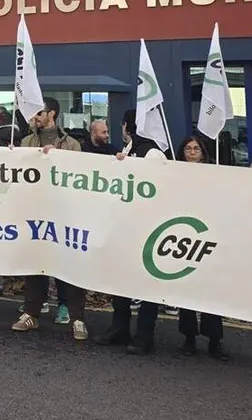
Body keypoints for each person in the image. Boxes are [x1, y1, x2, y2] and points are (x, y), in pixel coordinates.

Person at [12, 97, 89, 341]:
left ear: (52, 114)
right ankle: (31, 312)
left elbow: (80, 176)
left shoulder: (73, 144)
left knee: (71, 264)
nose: (34, 117)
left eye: (39, 113)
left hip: (66, 213)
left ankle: (77, 318)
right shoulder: (26, 141)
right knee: (36, 262)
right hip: (36, 211)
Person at [99, 109, 169, 354]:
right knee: (122, 280)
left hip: (146, 228)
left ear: (127, 126)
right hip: (126, 226)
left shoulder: (152, 152)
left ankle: (144, 335)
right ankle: (120, 328)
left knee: (146, 282)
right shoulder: (128, 150)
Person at [174, 134, 228, 361]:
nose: (192, 152)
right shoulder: (174, 174)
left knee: (211, 292)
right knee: (187, 290)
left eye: (196, 148)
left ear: (204, 152)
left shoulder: (215, 175)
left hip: (209, 234)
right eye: (188, 148)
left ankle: (215, 340)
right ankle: (189, 337)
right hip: (184, 234)